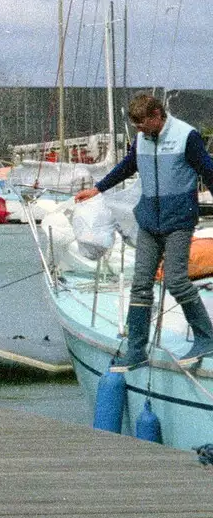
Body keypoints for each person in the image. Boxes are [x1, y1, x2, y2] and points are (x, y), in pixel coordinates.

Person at [76, 93, 213, 370]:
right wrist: (98, 188)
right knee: (140, 286)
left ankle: (206, 337)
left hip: (178, 220)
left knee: (176, 281)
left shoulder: (186, 136)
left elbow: (209, 172)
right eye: (136, 127)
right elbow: (128, 165)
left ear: (156, 116)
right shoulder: (141, 139)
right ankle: (136, 350)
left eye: (142, 125)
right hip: (149, 220)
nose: (139, 131)